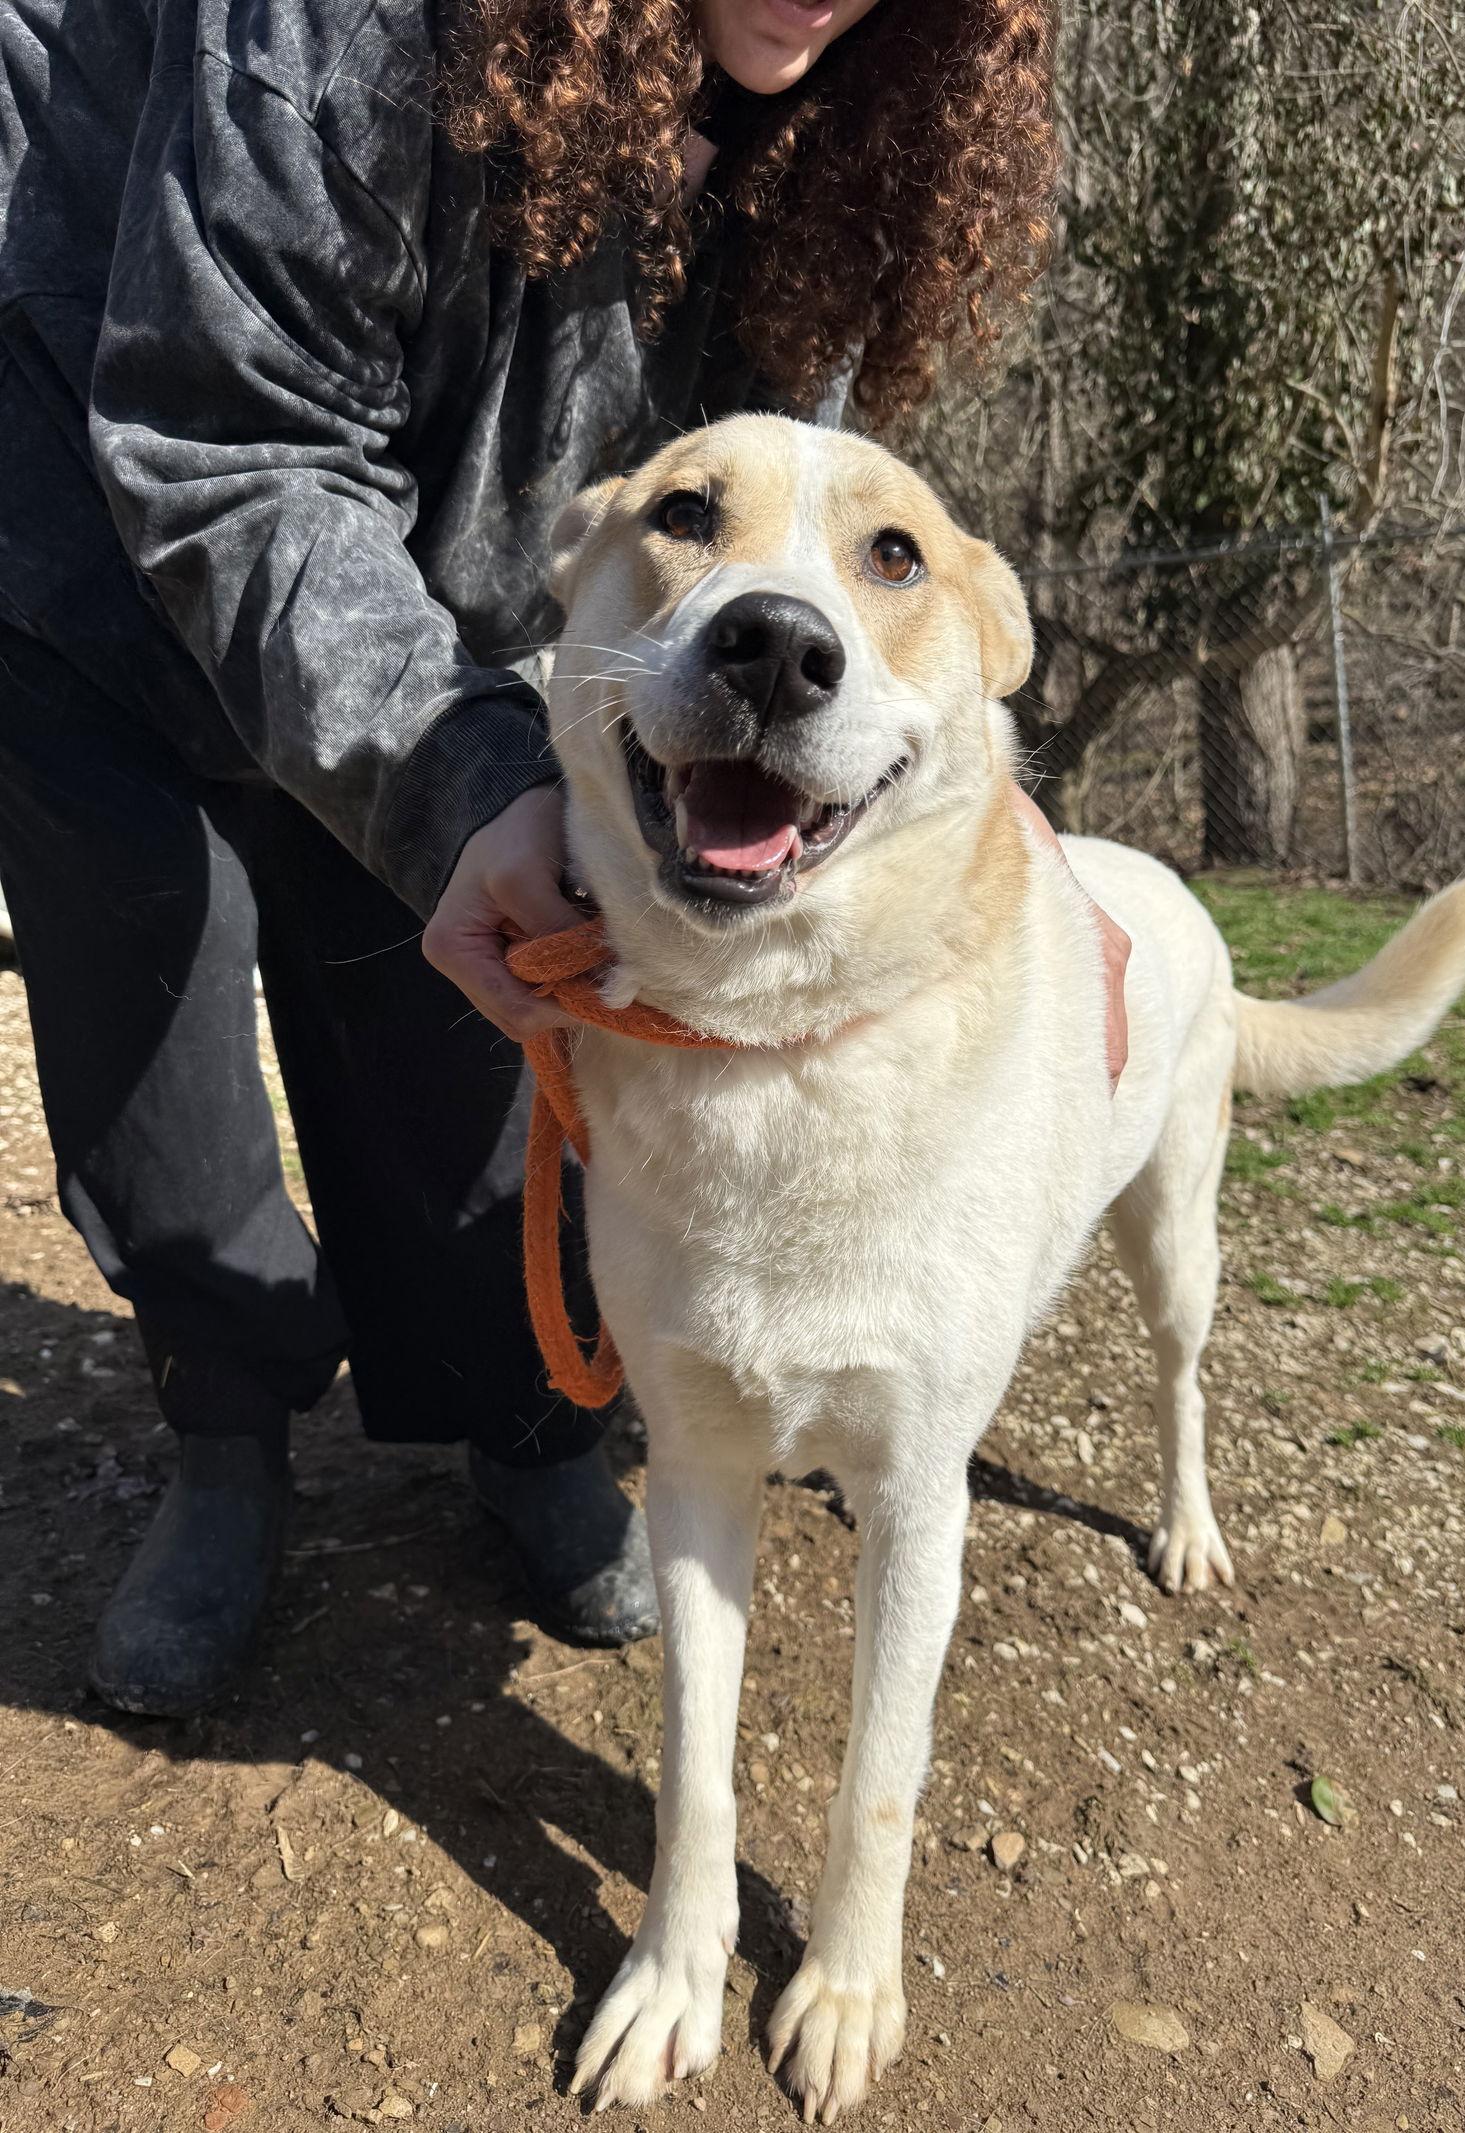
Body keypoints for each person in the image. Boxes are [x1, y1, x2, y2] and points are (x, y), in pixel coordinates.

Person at [0, 0, 1121, 1718]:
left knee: (473, 1047)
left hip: (435, 595)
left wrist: (983, 826)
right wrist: (467, 777)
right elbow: (230, 450)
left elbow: (767, 543)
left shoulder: (832, 127)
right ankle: (224, 1433)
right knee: (150, 1050)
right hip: (88, 513)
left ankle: (524, 1422)